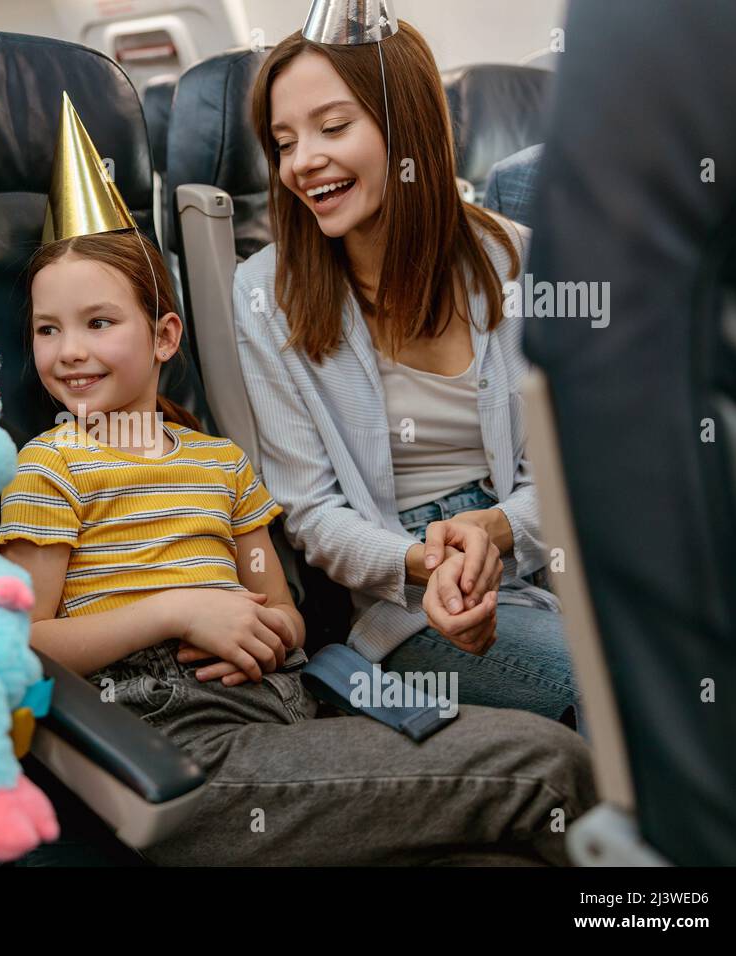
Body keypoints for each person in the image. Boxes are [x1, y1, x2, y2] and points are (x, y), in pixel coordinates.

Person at [0, 98, 595, 865]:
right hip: (172, 744)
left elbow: (285, 618)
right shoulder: (50, 467)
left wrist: (264, 629)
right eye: (48, 330)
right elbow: (21, 647)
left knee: (510, 821)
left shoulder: (219, 465)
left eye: (99, 323)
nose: (69, 351)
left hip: (287, 708)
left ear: (165, 334)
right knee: (543, 766)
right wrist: (181, 610)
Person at [235, 21, 581, 729]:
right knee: (610, 694)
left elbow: (574, 468)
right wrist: (429, 562)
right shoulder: (264, 294)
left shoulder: (519, 261)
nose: (304, 161)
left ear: (408, 124)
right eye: (285, 142)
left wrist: (497, 528)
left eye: (333, 126)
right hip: (404, 606)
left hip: (553, 554)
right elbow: (310, 512)